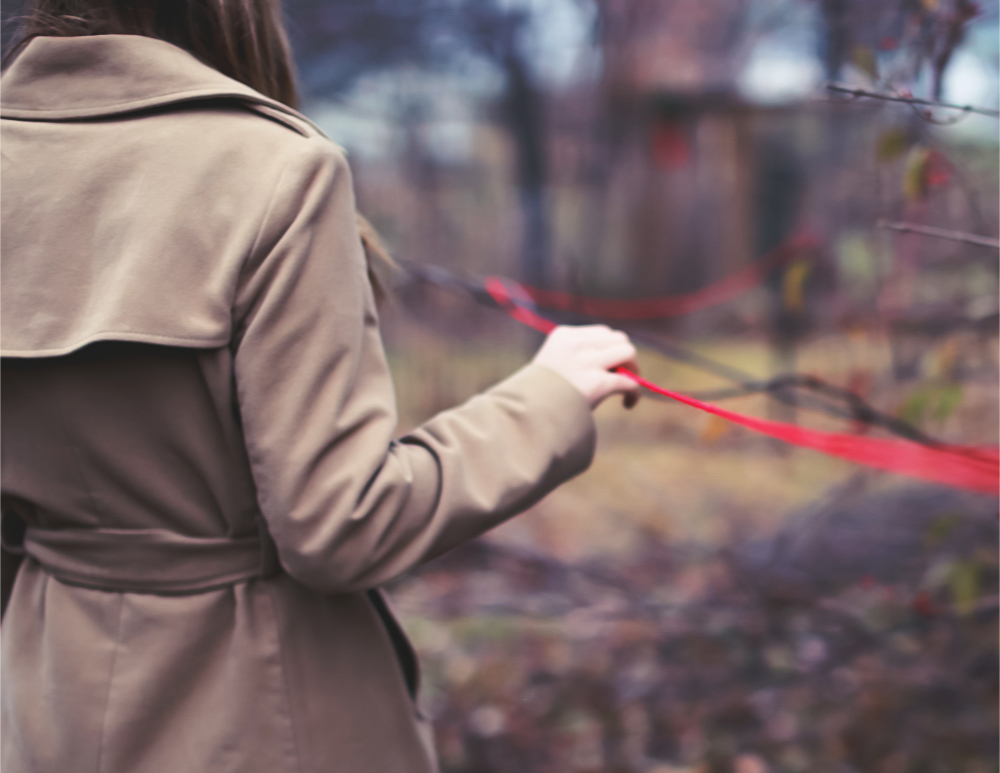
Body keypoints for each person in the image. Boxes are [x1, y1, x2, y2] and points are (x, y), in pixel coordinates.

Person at [0, 2, 640, 771]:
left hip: (41, 699)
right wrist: (547, 399)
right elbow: (342, 521)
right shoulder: (275, 169)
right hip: (255, 707)